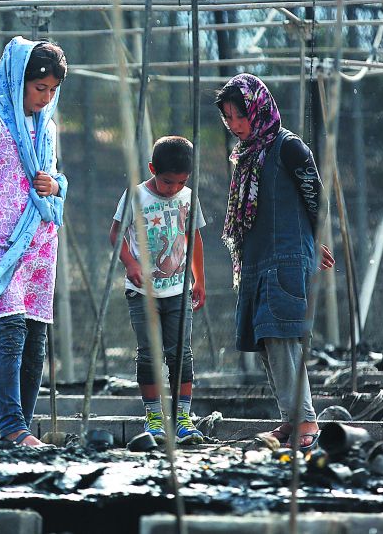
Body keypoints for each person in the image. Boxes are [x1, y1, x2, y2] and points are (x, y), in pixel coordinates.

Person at [0, 37, 68, 448]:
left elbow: (54, 184)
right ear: (18, 79)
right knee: (10, 331)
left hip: (39, 244)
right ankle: (12, 425)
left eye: (53, 90)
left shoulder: (47, 128)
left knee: (36, 335)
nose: (46, 97)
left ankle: (23, 425)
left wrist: (53, 184)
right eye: (40, 88)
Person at [215, 73, 335, 451]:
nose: (235, 126)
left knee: (281, 334)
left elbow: (316, 198)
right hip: (257, 260)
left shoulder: (288, 148)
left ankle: (306, 421)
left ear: (258, 109)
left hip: (284, 257)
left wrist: (315, 244)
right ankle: (291, 418)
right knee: (267, 339)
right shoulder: (249, 155)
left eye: (240, 116)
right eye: (228, 119)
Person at [109, 136, 207, 446]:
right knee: (150, 354)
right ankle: (153, 418)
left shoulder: (188, 197)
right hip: (143, 292)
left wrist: (198, 279)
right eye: (167, 182)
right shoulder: (136, 197)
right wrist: (131, 264)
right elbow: (116, 234)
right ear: (153, 169)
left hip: (178, 290)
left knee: (181, 354)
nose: (174, 189)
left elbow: (195, 239)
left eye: (181, 182)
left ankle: (182, 418)